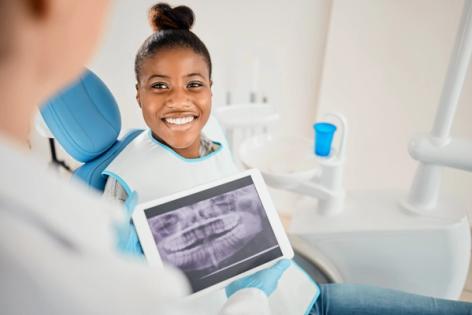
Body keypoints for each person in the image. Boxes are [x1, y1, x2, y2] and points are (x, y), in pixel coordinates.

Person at [0, 0, 290, 314]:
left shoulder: (213, 132)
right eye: (160, 86)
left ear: (210, 90)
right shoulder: (123, 185)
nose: (179, 99)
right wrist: (252, 296)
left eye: (194, 84)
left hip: (284, 291)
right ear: (138, 94)